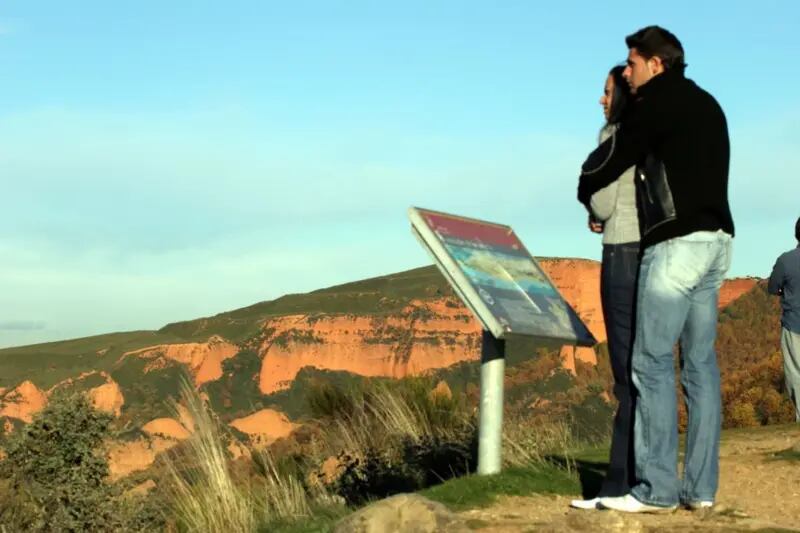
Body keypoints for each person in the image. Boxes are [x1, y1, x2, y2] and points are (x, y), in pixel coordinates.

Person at [576, 26, 735, 513]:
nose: (627, 72)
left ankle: (656, 490)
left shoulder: (655, 105)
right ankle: (701, 489)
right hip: (717, 243)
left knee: (649, 362)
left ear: (656, 65)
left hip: (674, 246)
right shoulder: (708, 104)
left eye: (632, 63)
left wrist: (585, 186)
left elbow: (610, 161)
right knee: (701, 368)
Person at [570, 65, 640, 510]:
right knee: (646, 369)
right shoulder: (653, 135)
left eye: (607, 91)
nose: (600, 99)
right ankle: (646, 478)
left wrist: (588, 197)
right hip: (650, 252)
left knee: (625, 374)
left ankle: (618, 485)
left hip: (621, 253)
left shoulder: (612, 136)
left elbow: (605, 200)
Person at [768, 217, 800, 421]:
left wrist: (784, 291)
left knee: (795, 375)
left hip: (794, 324)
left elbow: (772, 287)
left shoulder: (785, 260)